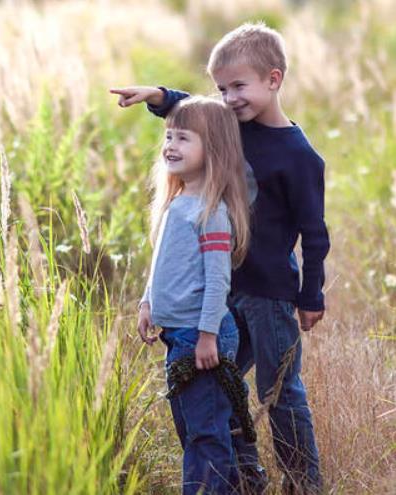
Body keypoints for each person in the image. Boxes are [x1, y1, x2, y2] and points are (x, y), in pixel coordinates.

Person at [112, 22, 330, 494]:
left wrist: (311, 294)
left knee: (280, 393)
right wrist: (159, 95)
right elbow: (199, 114)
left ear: (274, 80)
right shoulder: (232, 124)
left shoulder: (300, 157)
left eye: (239, 86)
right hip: (225, 287)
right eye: (221, 88)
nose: (229, 98)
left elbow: (315, 234)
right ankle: (245, 477)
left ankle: (303, 483)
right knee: (226, 383)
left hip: (270, 294)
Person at [136, 96, 251, 494]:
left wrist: (207, 336)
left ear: (212, 149)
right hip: (178, 336)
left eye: (183, 138)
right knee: (191, 431)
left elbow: (218, 281)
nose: (171, 145)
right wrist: (147, 302)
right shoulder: (176, 202)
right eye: (169, 136)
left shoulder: (211, 211)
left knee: (206, 435)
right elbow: (162, 262)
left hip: (202, 336)